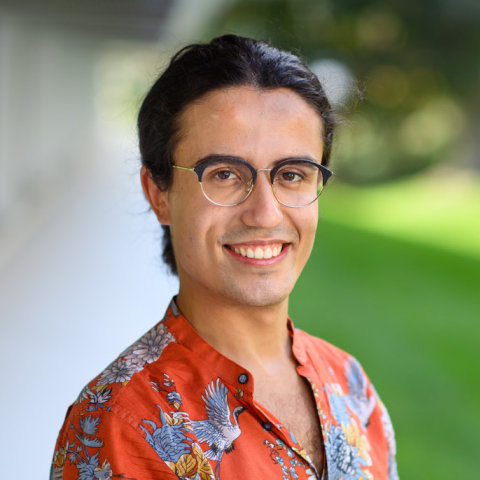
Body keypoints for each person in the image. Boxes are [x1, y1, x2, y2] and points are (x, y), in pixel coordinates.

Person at [50, 34, 398, 480]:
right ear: (159, 193)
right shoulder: (120, 425)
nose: (265, 213)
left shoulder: (351, 385)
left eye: (292, 174)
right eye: (225, 174)